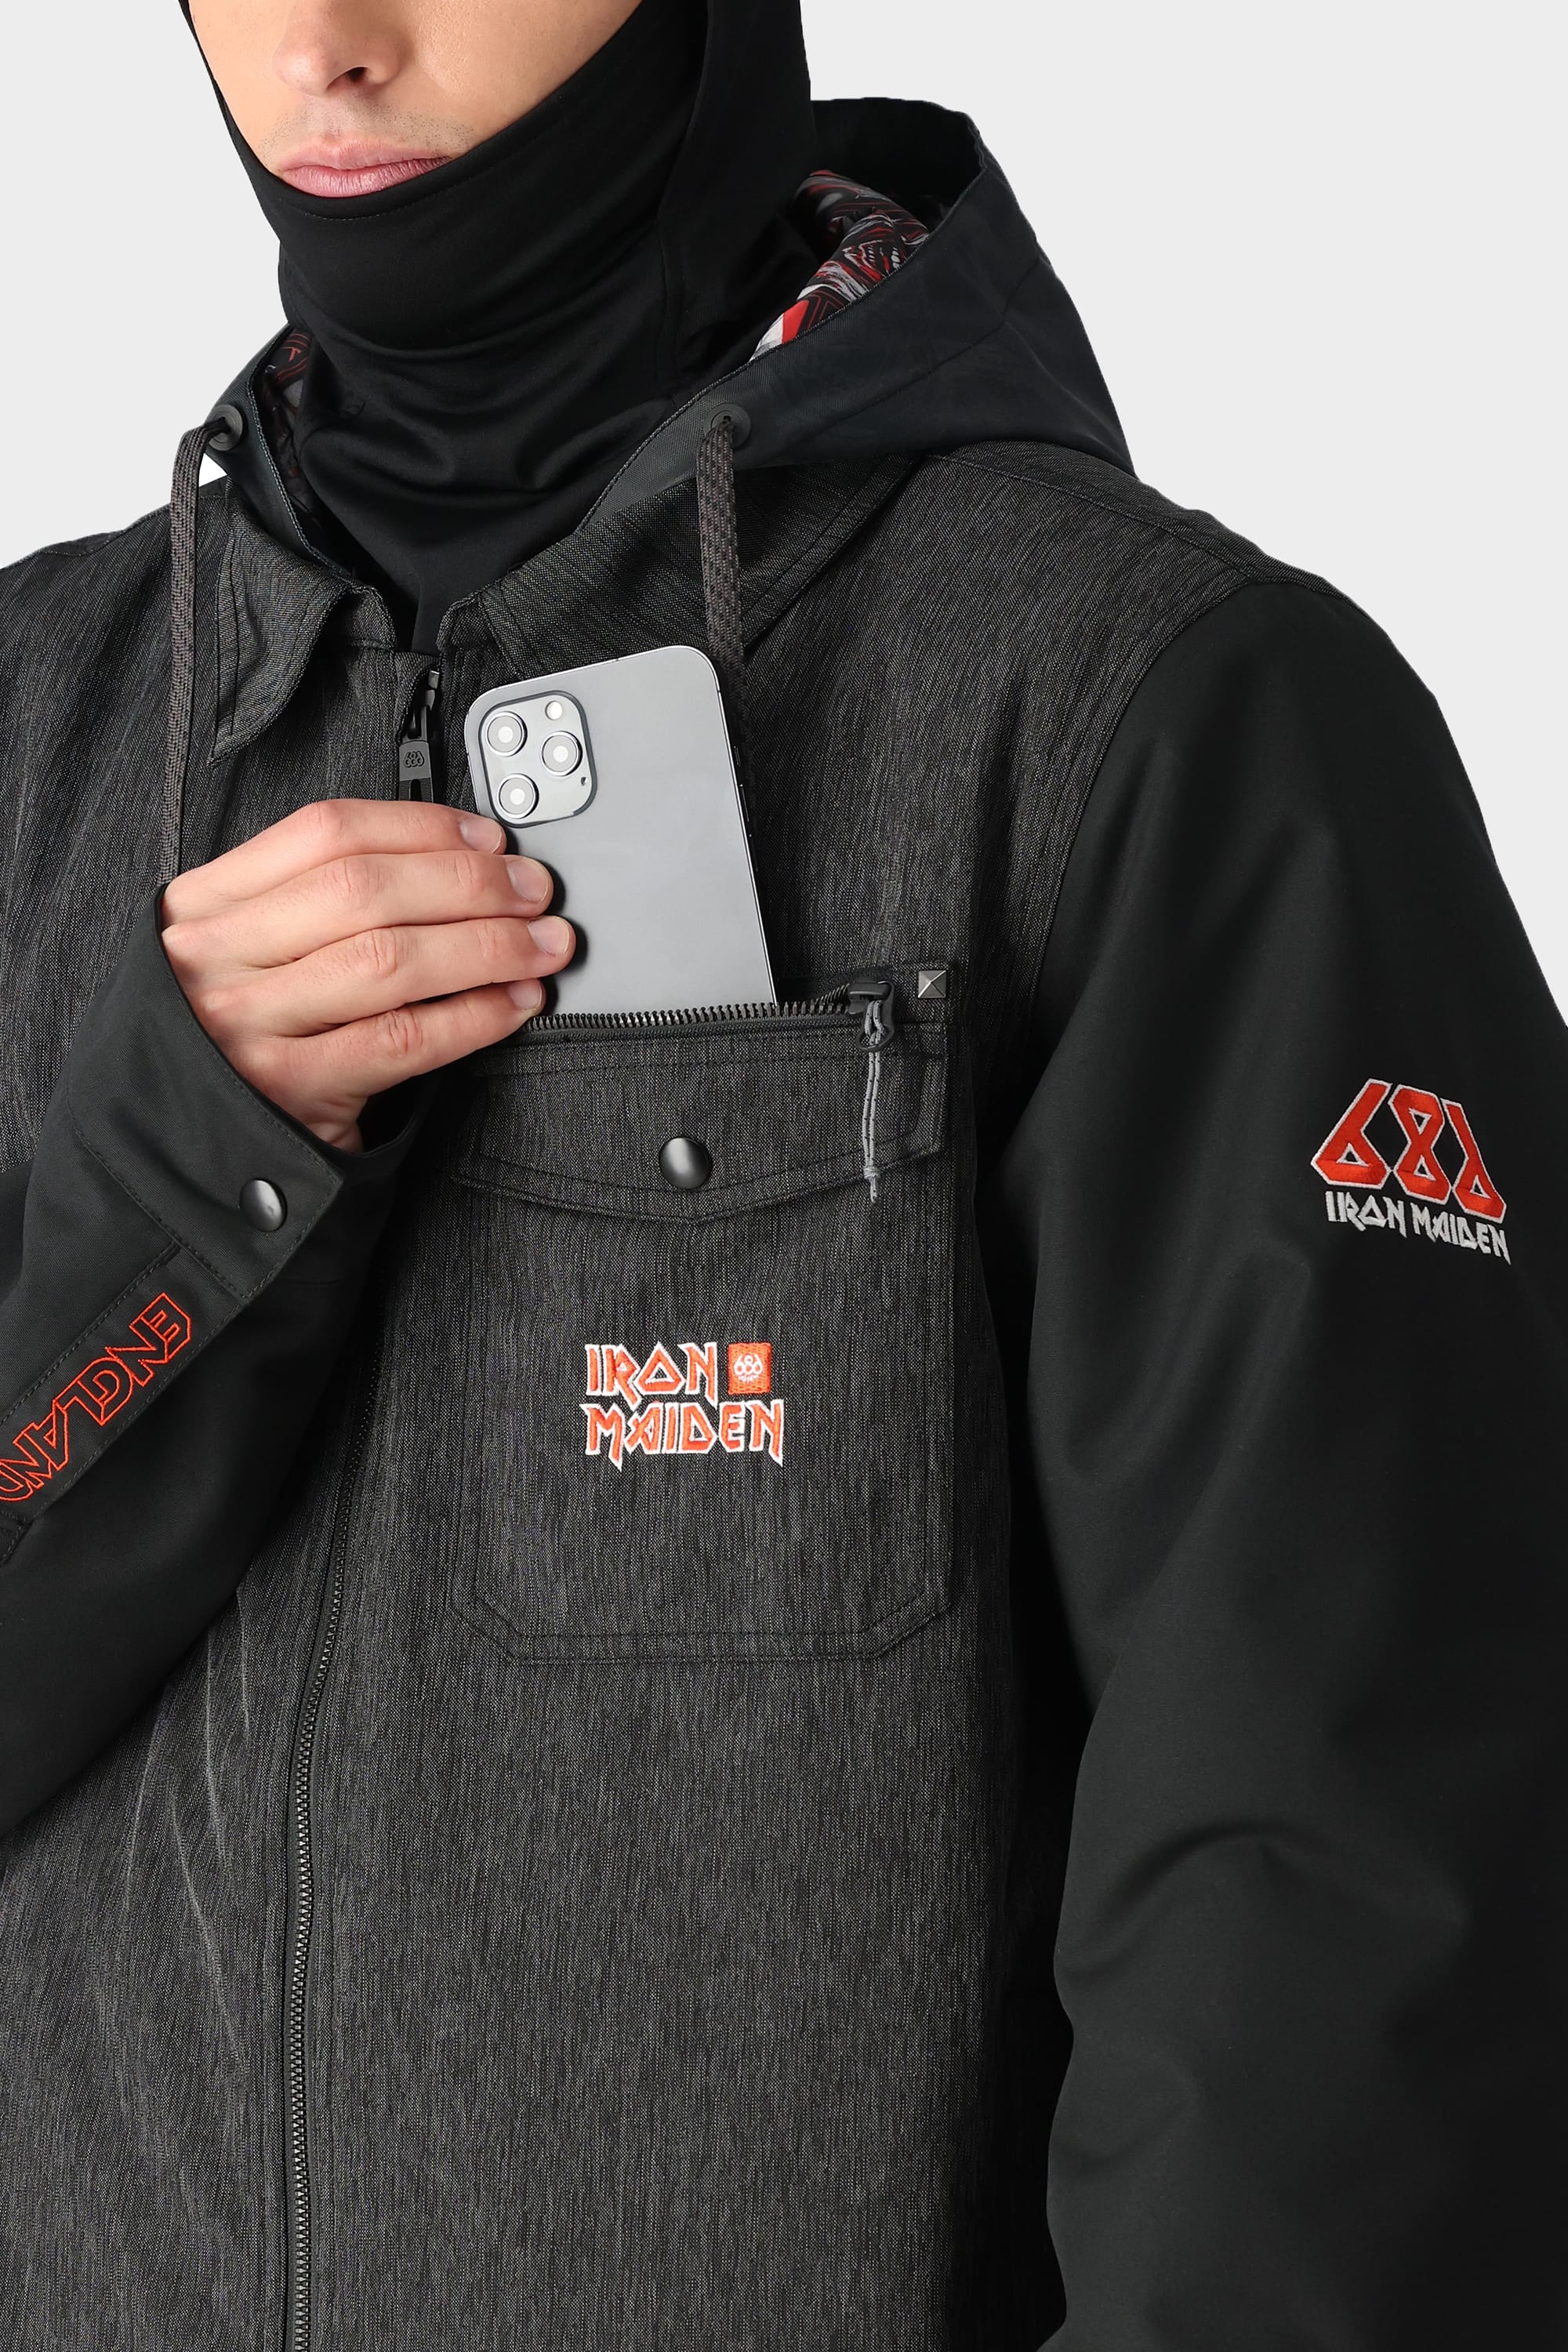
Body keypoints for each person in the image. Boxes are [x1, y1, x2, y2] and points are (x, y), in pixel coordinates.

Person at [1, 0, 1563, 2343]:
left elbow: (1348, 1905)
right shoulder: (43, 727)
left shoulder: (1150, 711)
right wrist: (177, 1181)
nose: (324, 43)